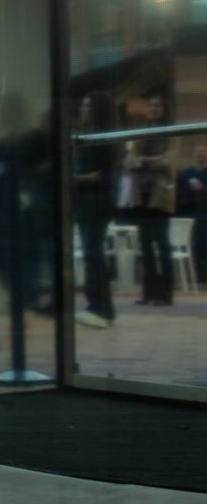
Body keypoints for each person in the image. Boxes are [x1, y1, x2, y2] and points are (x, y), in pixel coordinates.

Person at [123, 94, 176, 306]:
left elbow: (167, 161)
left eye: (157, 105)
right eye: (151, 105)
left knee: (162, 244)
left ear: (164, 110)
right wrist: (148, 161)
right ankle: (149, 293)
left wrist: (143, 160)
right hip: (141, 196)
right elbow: (128, 161)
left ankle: (165, 294)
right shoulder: (140, 134)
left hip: (160, 196)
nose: (153, 108)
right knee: (145, 245)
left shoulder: (170, 133)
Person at [72, 92, 118, 328]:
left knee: (93, 252)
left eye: (89, 105)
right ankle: (95, 305)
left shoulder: (103, 137)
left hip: (98, 200)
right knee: (91, 253)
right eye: (83, 105)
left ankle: (102, 307)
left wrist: (75, 178)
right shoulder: (87, 136)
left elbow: (103, 173)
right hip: (87, 200)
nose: (84, 109)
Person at [176, 144, 207, 284]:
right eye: (197, 152)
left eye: (203, 152)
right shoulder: (187, 173)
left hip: (205, 213)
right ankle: (195, 276)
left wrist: (202, 188)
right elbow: (179, 191)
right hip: (190, 213)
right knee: (193, 245)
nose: (200, 154)